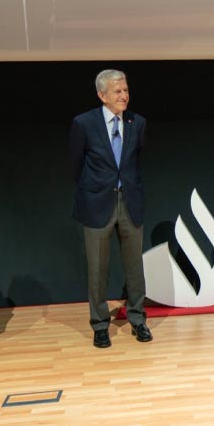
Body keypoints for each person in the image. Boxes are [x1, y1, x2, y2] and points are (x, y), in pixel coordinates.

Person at [70, 69, 151, 348]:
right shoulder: (84, 123)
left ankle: (138, 319)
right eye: (117, 91)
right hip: (97, 203)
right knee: (97, 268)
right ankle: (100, 324)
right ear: (102, 95)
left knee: (134, 266)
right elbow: (76, 164)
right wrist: (95, 188)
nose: (124, 95)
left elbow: (136, 159)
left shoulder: (136, 122)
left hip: (130, 201)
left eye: (126, 90)